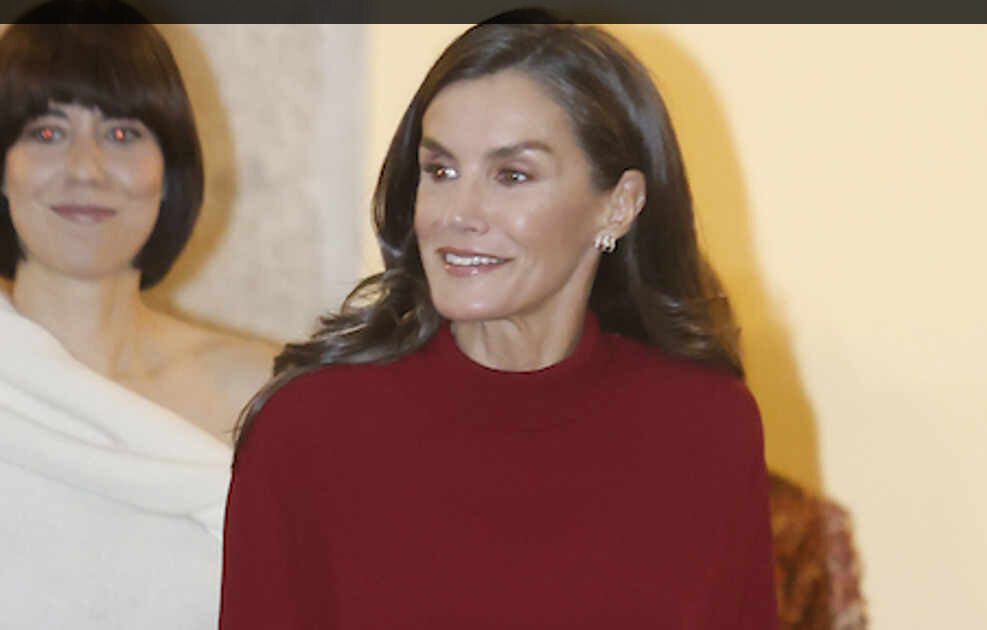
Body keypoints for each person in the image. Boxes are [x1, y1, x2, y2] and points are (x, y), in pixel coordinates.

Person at [220, 17, 776, 629]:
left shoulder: (707, 428)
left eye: (512, 176)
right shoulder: (308, 432)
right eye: (440, 171)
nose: (458, 214)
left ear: (619, 206)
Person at [0, 2, 276, 627]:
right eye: (47, 133)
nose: (86, 170)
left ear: (169, 171)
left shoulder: (265, 394)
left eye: (123, 134)